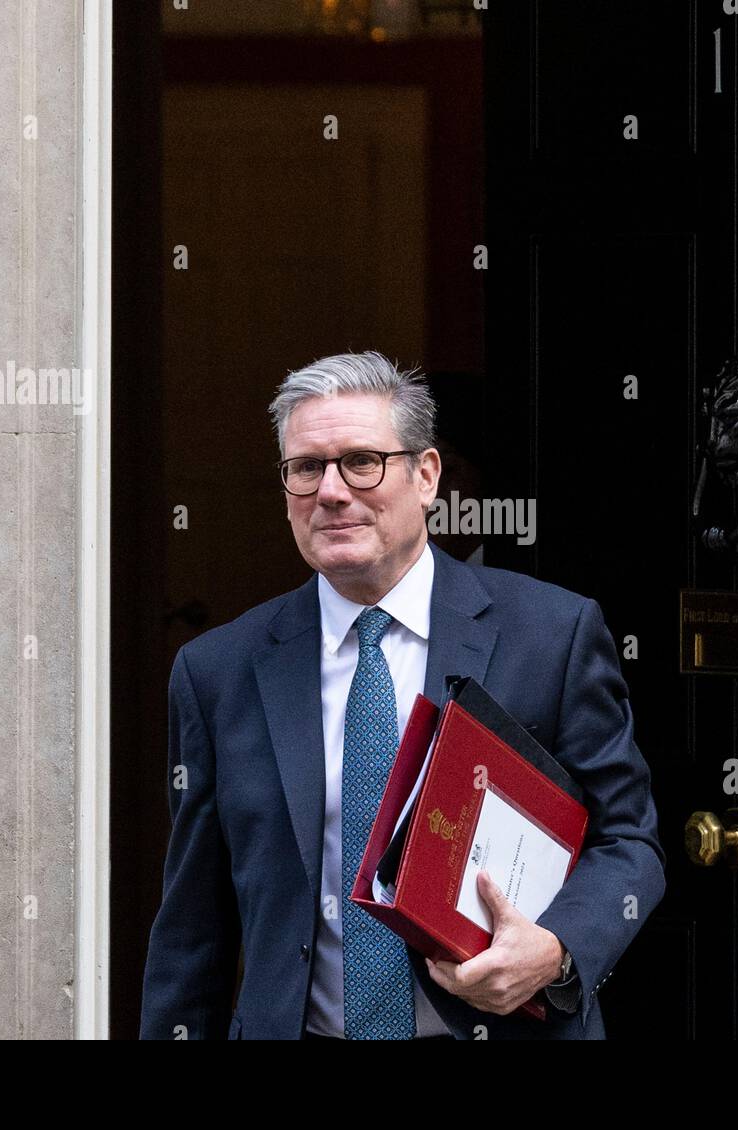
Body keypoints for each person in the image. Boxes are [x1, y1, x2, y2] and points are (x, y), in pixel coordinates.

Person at [139, 351, 665, 1040]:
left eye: (362, 461)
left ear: (426, 476)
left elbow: (630, 841)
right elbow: (192, 928)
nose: (331, 491)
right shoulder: (218, 673)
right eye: (306, 468)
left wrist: (556, 951)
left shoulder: (551, 636)